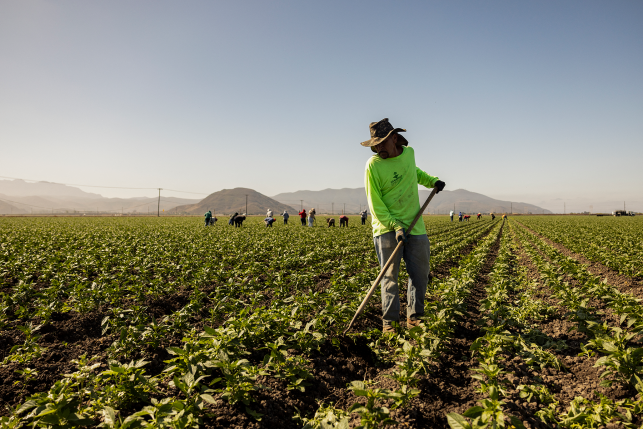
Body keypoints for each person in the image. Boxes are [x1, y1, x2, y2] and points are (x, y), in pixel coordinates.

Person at [361, 118, 445, 333]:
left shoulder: (409, 154)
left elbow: (414, 173)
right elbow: (375, 203)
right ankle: (390, 322)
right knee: (389, 278)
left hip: (415, 227)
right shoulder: (373, 165)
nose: (377, 148)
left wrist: (432, 181)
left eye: (381, 143)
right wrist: (395, 225)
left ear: (394, 139)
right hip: (387, 229)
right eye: (375, 145)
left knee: (420, 275)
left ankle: (415, 318)